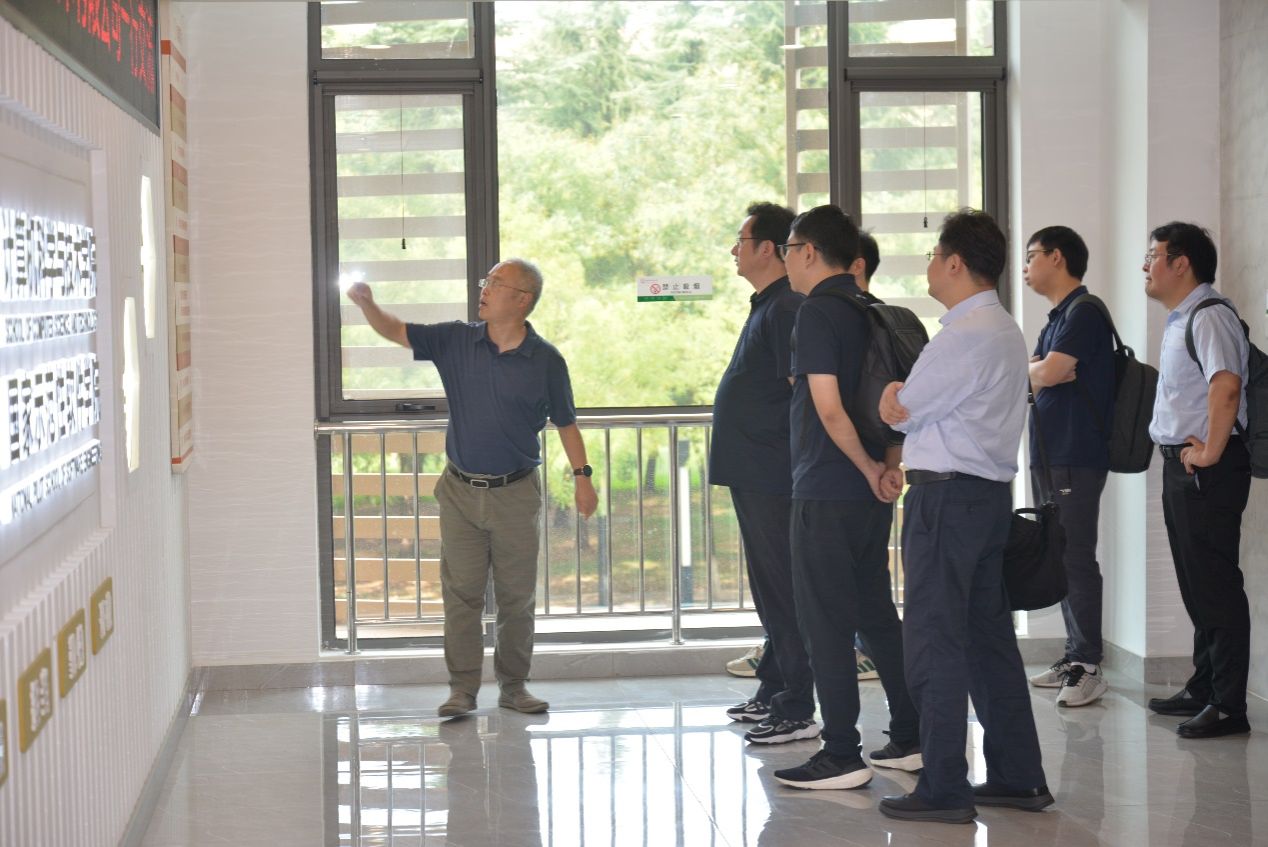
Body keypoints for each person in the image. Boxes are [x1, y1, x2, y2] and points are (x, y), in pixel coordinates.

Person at [346, 260, 598, 717]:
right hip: (460, 491)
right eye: (487, 281)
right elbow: (397, 331)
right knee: (461, 595)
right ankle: (462, 690)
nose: (485, 289)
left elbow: (566, 423)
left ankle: (514, 687)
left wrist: (584, 479)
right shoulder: (456, 340)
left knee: (516, 598)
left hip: (516, 493)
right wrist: (367, 304)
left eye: (496, 283)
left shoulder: (546, 360)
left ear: (521, 300)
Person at [878, 210, 1051, 823]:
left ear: (955, 263)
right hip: (986, 501)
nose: (929, 265)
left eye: (933, 254)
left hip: (946, 503)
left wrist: (891, 393)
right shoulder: (1004, 328)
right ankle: (1018, 776)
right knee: (987, 642)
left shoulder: (962, 335)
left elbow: (902, 410)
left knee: (935, 642)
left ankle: (944, 786)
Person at [768, 204, 920, 789]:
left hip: (827, 487)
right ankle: (910, 734)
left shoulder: (816, 313)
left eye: (788, 249)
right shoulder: (873, 309)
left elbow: (829, 409)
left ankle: (840, 753)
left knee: (825, 622)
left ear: (808, 252)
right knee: (876, 613)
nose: (785, 259)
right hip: (868, 493)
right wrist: (887, 468)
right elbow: (897, 403)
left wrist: (866, 467)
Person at [1142, 222, 1252, 739]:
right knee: (1196, 582)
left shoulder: (1209, 316)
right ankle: (1205, 685)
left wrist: (1209, 451)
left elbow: (1226, 386)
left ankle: (1229, 705)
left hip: (1207, 468)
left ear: (1181, 263)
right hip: (1183, 465)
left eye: (1153, 255)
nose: (1146, 265)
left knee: (1215, 585)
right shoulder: (1184, 318)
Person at [711, 202, 814, 730]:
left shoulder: (787, 307)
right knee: (769, 589)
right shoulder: (767, 305)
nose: (734, 250)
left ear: (768, 248)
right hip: (756, 471)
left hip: (775, 473)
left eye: (741, 240)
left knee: (782, 589)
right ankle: (775, 687)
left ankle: (795, 703)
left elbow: (803, 392)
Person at [1022, 226, 1115, 707]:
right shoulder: (1058, 317)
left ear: (1056, 257)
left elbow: (1053, 371)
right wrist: (1035, 370)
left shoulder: (1083, 311)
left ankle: (1089, 665)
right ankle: (1074, 655)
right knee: (1059, 554)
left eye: (1031, 256)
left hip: (1075, 453)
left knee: (1075, 555)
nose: (1025, 267)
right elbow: (1038, 373)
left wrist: (1038, 370)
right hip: (1051, 451)